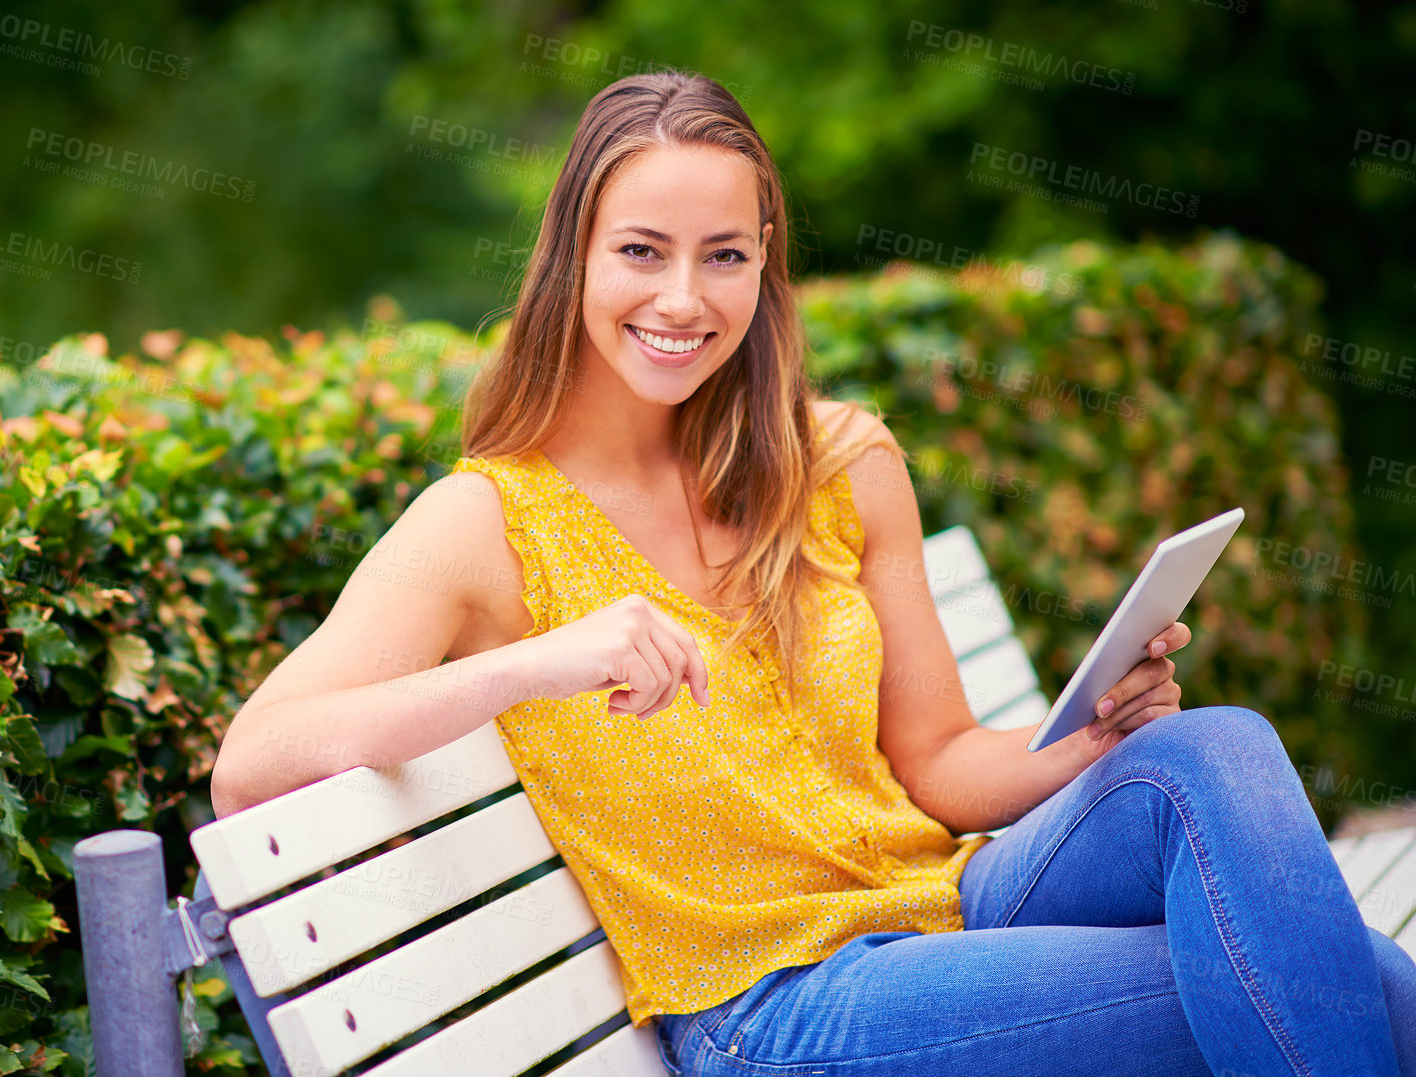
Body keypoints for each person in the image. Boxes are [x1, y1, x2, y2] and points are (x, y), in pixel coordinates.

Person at [208, 70, 1415, 1074]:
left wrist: (1089, 737)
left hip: (939, 898)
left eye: (722, 256)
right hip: (773, 1007)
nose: (682, 300)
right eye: (640, 251)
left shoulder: (837, 462)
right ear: (571, 254)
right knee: (1320, 963)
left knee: (1216, 750)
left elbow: (938, 762)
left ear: (764, 261)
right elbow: (250, 765)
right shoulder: (485, 524)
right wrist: (541, 661)